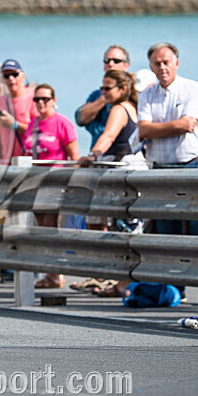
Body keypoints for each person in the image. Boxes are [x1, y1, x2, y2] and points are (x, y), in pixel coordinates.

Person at [137, 42, 198, 305]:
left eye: (166, 62)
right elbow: (144, 131)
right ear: (151, 66)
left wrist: (158, 128)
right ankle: (175, 288)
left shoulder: (192, 88)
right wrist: (172, 126)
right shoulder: (146, 95)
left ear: (176, 63)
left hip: (190, 166)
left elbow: (188, 124)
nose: (162, 67)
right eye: (157, 63)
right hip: (160, 170)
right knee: (168, 232)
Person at [77, 70, 144, 297]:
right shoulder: (134, 108)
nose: (103, 93)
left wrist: (93, 156)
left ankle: (123, 284)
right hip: (134, 170)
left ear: (122, 89)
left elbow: (108, 136)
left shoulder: (119, 109)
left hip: (120, 173)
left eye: (108, 88)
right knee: (129, 229)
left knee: (123, 230)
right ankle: (124, 282)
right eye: (102, 87)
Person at [24, 83, 79, 289]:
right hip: (36, 184)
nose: (40, 103)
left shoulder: (62, 123)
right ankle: (50, 272)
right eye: (37, 99)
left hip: (56, 183)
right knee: (40, 230)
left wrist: (73, 182)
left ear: (54, 101)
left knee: (50, 228)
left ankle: (56, 274)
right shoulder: (33, 125)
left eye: (45, 99)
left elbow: (74, 156)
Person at [75, 45, 131, 148]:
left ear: (126, 65)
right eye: (107, 60)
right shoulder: (97, 95)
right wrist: (105, 98)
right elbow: (80, 118)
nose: (110, 64)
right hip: (100, 154)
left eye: (116, 61)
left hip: (125, 154)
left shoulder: (135, 93)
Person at [0, 59, 38, 164]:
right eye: (6, 76)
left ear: (23, 76)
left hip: (30, 163)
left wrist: (15, 124)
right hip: (7, 165)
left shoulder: (34, 99)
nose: (11, 79)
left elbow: (41, 132)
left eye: (14, 74)